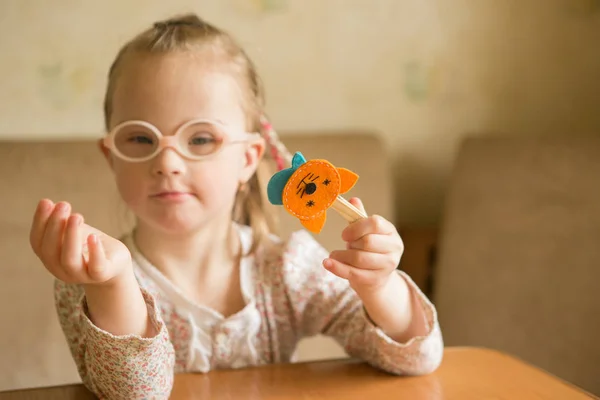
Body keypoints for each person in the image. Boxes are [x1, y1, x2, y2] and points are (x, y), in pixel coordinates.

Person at [29, 13, 443, 399]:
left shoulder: (286, 270)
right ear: (112, 156)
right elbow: (138, 393)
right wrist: (112, 285)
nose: (167, 163)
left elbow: (417, 358)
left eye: (201, 139)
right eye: (141, 139)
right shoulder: (89, 281)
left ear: (248, 159)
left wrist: (379, 287)